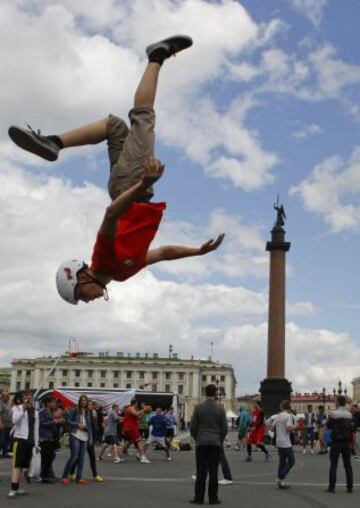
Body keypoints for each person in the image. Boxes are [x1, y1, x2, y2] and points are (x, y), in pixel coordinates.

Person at [8, 35, 224, 306]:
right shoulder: (123, 273)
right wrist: (198, 252)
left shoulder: (104, 259)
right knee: (115, 126)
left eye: (79, 296)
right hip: (128, 185)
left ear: (81, 278)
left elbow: (112, 214)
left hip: (132, 184)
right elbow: (164, 253)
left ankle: (156, 56)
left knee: (144, 115)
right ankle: (54, 143)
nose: (85, 302)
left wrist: (143, 184)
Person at [190, 384, 227, 505]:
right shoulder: (220, 409)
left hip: (201, 442)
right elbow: (224, 428)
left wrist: (197, 437)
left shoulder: (198, 408)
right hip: (215, 442)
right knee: (214, 471)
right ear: (215, 393)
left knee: (201, 471)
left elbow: (193, 427)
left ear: (205, 393)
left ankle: (198, 498)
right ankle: (213, 498)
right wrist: (219, 439)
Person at [7, 390, 39, 499]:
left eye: (30, 396)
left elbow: (36, 429)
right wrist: (23, 409)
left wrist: (36, 444)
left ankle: (17, 487)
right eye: (26, 396)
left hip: (30, 442)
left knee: (23, 466)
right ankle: (12, 489)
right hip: (20, 440)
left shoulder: (35, 412)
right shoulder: (17, 408)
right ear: (22, 398)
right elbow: (15, 420)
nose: (28, 398)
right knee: (17, 465)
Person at [61, 394, 93, 485]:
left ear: (87, 402)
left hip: (84, 436)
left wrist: (90, 438)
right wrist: (77, 424)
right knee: (74, 456)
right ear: (80, 401)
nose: (84, 402)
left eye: (85, 400)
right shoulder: (74, 410)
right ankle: (64, 476)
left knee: (81, 458)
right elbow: (68, 421)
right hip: (75, 435)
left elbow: (89, 426)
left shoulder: (88, 412)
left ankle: (79, 477)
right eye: (82, 400)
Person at [326, 395, 353, 493]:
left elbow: (328, 426)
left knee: (333, 465)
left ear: (338, 402)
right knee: (348, 465)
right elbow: (351, 428)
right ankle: (349, 487)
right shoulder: (349, 414)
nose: (334, 402)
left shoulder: (333, 413)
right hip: (346, 443)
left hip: (336, 442)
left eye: (335, 401)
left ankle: (332, 487)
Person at [71, 400, 103, 481]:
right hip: (81, 437)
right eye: (89, 404)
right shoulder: (82, 413)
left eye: (91, 405)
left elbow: (93, 427)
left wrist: (91, 438)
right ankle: (72, 472)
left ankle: (95, 475)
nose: (90, 406)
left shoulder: (93, 413)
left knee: (92, 457)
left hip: (89, 437)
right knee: (78, 456)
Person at [272, 400, 296, 489]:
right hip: (286, 442)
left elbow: (272, 428)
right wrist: (296, 426)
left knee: (282, 461)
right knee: (291, 461)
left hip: (278, 441)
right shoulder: (288, 416)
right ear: (288, 407)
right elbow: (288, 429)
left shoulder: (278, 416)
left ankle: (281, 481)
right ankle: (280, 477)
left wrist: (279, 428)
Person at [121, 399, 150, 463]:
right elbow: (136, 414)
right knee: (139, 441)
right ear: (136, 403)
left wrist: (143, 412)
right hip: (131, 428)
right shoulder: (131, 408)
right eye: (137, 404)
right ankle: (143, 457)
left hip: (128, 428)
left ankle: (120, 455)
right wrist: (144, 409)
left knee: (129, 441)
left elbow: (138, 417)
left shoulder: (131, 408)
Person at [39, 396, 57, 483]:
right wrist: (54, 422)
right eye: (53, 402)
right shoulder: (42, 412)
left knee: (51, 456)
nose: (54, 404)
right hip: (44, 437)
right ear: (48, 403)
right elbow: (42, 423)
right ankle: (44, 476)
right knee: (46, 457)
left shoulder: (50, 412)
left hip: (50, 437)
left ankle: (47, 474)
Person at [0, 391, 13, 458]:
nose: (8, 397)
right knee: (2, 439)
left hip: (8, 424)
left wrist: (11, 422)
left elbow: (9, 414)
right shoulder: (1, 403)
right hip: (3, 424)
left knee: (6, 439)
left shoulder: (6, 403)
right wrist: (1, 423)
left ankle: (5, 452)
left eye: (8, 396)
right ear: (3, 396)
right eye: (7, 396)